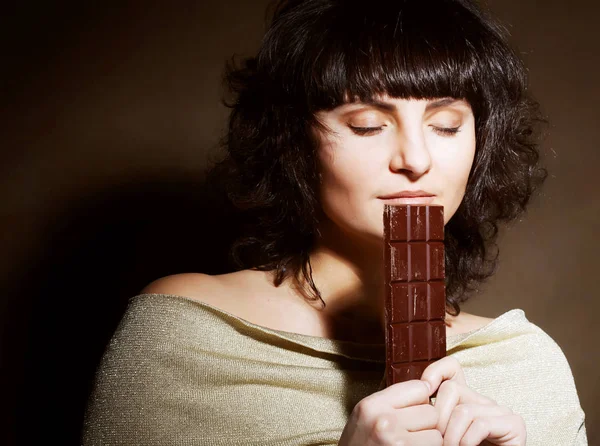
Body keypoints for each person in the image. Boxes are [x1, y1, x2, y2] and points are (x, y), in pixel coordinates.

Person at [82, 0, 587, 444]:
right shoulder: (189, 335)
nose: (415, 158)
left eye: (445, 125)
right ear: (295, 141)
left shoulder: (524, 363)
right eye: (367, 125)